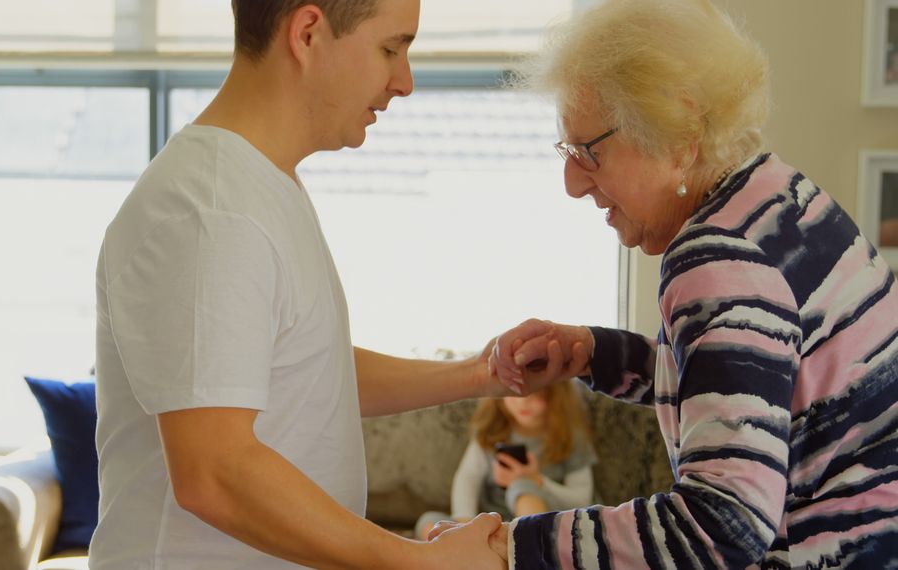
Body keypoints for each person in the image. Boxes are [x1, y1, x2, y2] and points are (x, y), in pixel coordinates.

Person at [432, 0, 898, 567]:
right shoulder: (779, 200)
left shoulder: (718, 257)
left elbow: (721, 524)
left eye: (589, 152)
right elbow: (751, 383)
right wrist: (593, 353)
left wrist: (508, 548)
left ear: (679, 135)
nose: (572, 184)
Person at [90, 1, 510, 568]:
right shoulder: (211, 212)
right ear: (309, 33)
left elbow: (307, 369)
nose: (404, 83)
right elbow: (213, 473)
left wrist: (479, 375)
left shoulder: (260, 186)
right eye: (391, 48)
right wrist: (417, 561)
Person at [416, 382, 597, 540]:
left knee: (521, 486)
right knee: (430, 523)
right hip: (492, 528)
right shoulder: (489, 435)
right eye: (514, 393)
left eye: (536, 394)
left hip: (544, 529)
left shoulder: (572, 441)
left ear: (556, 396)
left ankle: (528, 551)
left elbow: (582, 499)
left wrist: (537, 481)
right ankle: (481, 553)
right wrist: (464, 523)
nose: (523, 401)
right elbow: (467, 478)